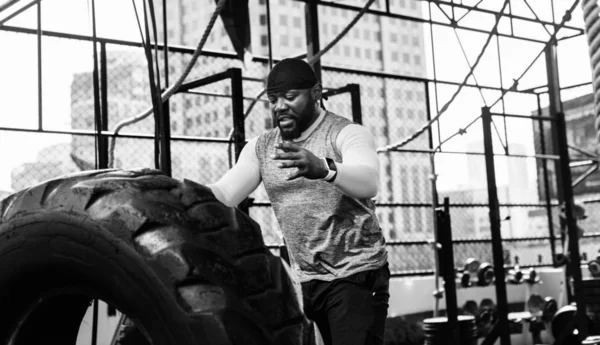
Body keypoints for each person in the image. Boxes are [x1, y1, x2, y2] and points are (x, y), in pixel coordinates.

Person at [207, 58, 390, 345]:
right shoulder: (262, 147)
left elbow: (369, 182)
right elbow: (226, 193)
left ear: (316, 93)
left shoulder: (346, 134)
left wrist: (324, 169)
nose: (280, 106)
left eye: (290, 97)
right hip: (305, 278)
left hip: (357, 272)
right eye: (273, 99)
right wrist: (179, 192)